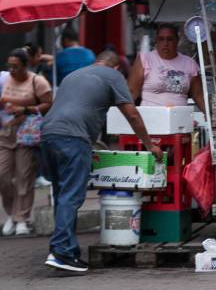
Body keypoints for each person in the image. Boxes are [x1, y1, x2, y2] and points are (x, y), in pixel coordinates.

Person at [41, 51, 163, 272]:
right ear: (116, 67)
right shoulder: (112, 76)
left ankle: (65, 248)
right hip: (73, 137)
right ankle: (61, 252)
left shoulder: (75, 75)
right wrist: (149, 144)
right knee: (71, 196)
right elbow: (132, 114)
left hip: (48, 134)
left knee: (61, 194)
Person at [1, 49, 53, 236]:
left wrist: (25, 109)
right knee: (3, 176)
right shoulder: (4, 79)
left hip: (27, 134)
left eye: (15, 66)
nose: (11, 70)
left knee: (24, 177)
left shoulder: (37, 81)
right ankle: (10, 214)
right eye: (9, 66)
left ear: (25, 65)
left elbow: (49, 103)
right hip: (5, 133)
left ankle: (21, 218)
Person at [128, 23, 206, 113]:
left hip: (179, 119)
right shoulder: (145, 59)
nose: (165, 43)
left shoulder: (189, 63)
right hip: (150, 118)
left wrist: (210, 116)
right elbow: (132, 92)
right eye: (161, 39)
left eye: (170, 39)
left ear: (177, 40)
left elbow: (198, 95)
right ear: (156, 41)